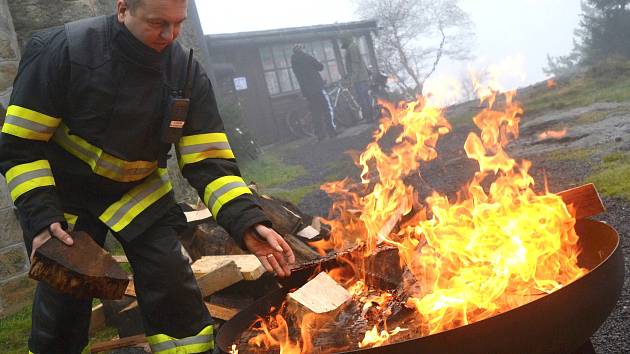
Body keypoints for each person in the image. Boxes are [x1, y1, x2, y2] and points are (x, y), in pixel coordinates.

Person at [0, 0, 295, 353]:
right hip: (66, 197)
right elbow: (20, 146)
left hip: (138, 195)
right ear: (123, 9)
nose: (170, 36)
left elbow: (210, 162)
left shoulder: (186, 74)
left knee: (174, 289)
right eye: (158, 23)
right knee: (62, 304)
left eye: (178, 23)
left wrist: (247, 222)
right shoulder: (62, 51)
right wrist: (42, 216)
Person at [290, 44, 337, 141]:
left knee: (316, 113)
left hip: (307, 92)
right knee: (327, 109)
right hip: (318, 88)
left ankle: (320, 135)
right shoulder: (307, 57)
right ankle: (332, 131)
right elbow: (320, 67)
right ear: (301, 49)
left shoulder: (294, 62)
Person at [341, 35, 373, 122]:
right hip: (360, 77)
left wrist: (352, 79)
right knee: (364, 97)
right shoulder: (352, 47)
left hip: (359, 78)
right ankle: (369, 117)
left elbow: (355, 64)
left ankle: (368, 118)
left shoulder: (352, 48)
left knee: (363, 98)